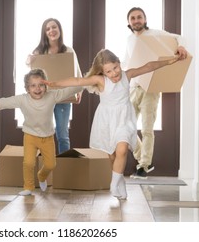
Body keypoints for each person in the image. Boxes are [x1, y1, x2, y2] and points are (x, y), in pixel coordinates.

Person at [43, 49, 186, 199]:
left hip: (125, 119)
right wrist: (54, 83)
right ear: (103, 73)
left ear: (119, 63)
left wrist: (171, 60)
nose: (114, 73)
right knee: (112, 156)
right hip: (106, 121)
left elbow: (149, 66)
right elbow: (77, 81)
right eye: (108, 71)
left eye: (115, 68)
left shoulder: (127, 75)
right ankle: (120, 182)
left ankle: (113, 184)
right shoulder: (100, 80)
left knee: (122, 150)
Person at [0, 68, 82, 196]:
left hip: (47, 137)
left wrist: (88, 83)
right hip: (30, 136)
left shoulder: (52, 96)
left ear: (46, 86)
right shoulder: (22, 99)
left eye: (41, 85)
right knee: (29, 163)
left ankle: (41, 176)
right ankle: (28, 187)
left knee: (51, 165)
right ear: (27, 88)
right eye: (33, 86)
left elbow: (70, 90)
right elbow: (3, 103)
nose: (37, 89)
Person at [125, 7, 189, 179]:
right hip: (134, 87)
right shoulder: (130, 39)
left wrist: (181, 46)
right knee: (126, 126)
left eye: (139, 17)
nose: (136, 20)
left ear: (145, 20)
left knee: (146, 128)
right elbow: (127, 62)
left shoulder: (155, 34)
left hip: (151, 88)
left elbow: (178, 37)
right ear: (129, 22)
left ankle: (144, 167)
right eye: (133, 18)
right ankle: (144, 159)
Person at [26, 18, 82, 154]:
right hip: (44, 99)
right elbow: (32, 74)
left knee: (62, 135)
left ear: (59, 30)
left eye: (54, 27)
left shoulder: (68, 51)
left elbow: (78, 73)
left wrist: (79, 92)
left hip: (63, 99)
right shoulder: (38, 52)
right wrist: (28, 61)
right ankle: (43, 166)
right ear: (44, 33)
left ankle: (64, 168)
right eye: (48, 29)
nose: (51, 31)